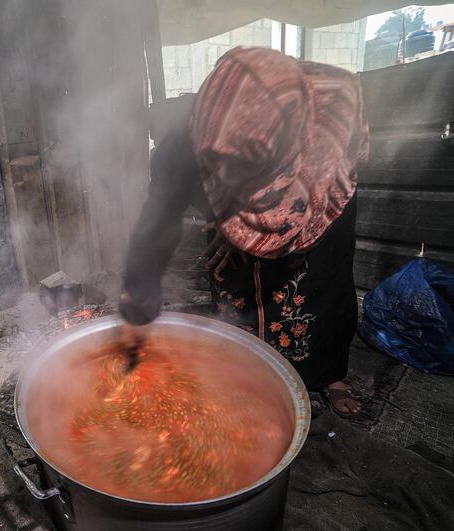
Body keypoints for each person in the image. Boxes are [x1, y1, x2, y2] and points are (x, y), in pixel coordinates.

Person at [119, 47, 369, 417]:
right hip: (226, 210)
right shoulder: (181, 146)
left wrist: (269, 218)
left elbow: (335, 174)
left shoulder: (330, 109)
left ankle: (328, 374)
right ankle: (250, 367)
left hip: (314, 193)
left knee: (318, 285)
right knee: (237, 283)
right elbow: (157, 222)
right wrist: (139, 298)